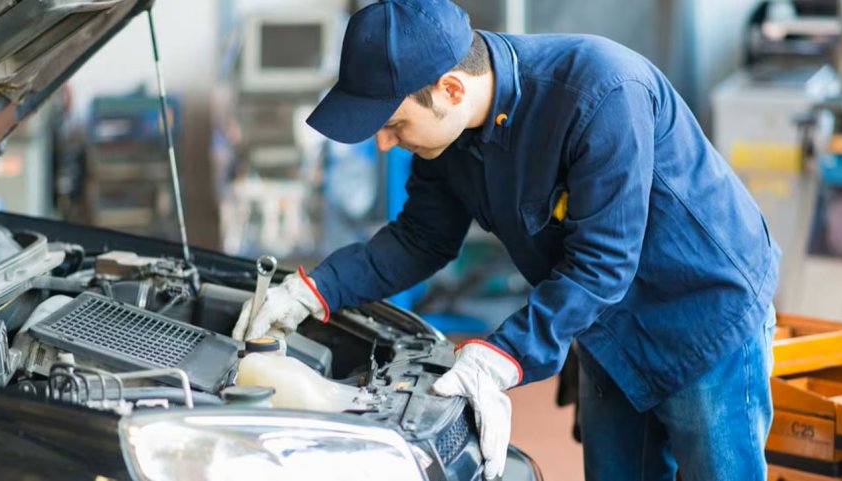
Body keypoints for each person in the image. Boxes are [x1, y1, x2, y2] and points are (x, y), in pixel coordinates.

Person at [233, 1, 781, 479]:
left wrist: (500, 357)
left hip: (703, 319)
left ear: (450, 89)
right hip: (604, 330)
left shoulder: (602, 93)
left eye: (394, 125)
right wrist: (313, 289)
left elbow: (603, 262)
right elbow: (422, 238)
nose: (383, 143)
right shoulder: (444, 139)